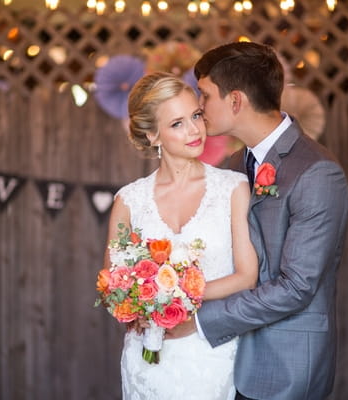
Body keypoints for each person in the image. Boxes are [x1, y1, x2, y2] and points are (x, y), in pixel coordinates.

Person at [166, 41, 348, 400]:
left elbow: (297, 286)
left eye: (204, 96)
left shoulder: (316, 172)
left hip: (285, 366)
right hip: (225, 362)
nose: (199, 108)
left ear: (235, 101)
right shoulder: (233, 167)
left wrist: (201, 322)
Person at [103, 71, 259, 399]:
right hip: (148, 359)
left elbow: (247, 276)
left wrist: (178, 297)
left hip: (211, 354)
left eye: (196, 116)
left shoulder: (233, 188)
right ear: (151, 135)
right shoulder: (128, 201)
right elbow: (111, 285)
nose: (194, 130)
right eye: (177, 123)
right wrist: (138, 306)